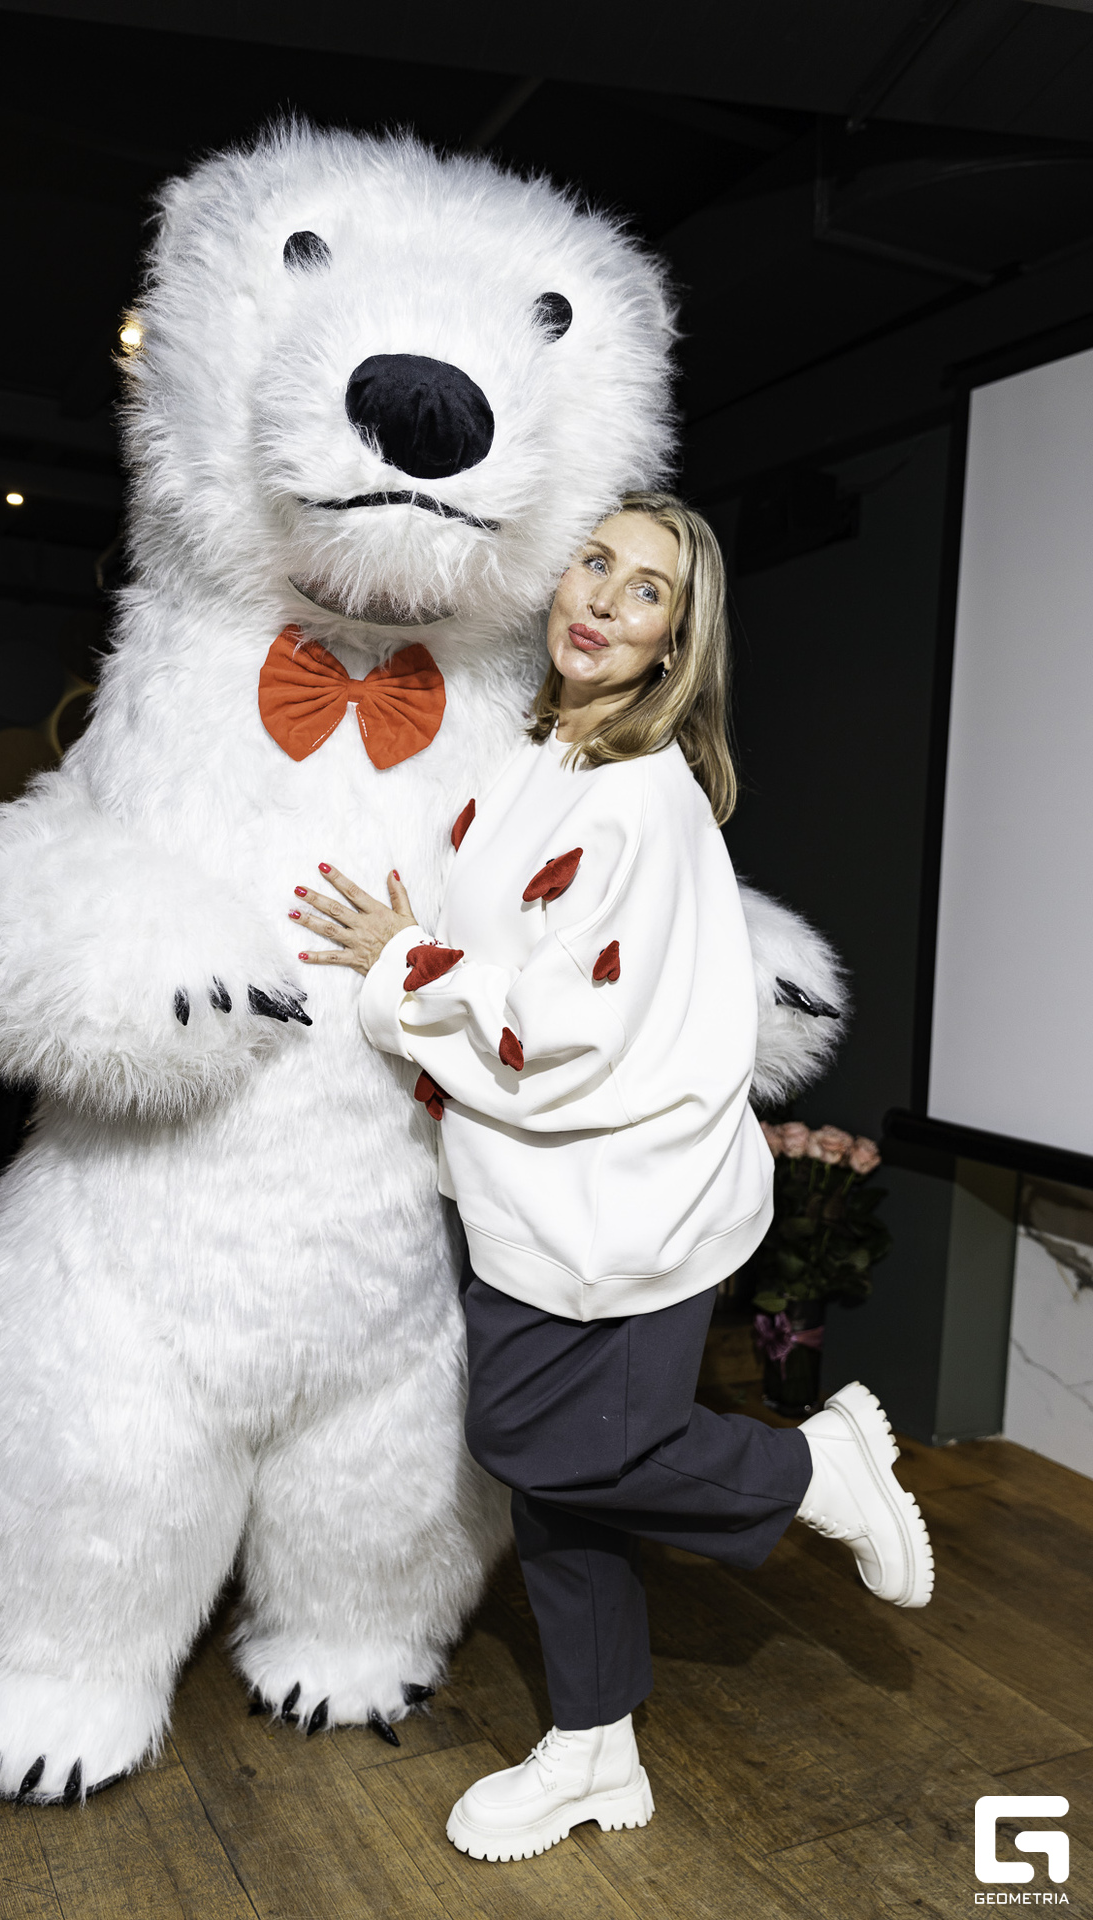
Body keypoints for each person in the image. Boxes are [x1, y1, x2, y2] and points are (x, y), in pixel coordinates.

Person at [284, 493, 934, 1863]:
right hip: (532, 1188)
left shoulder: (641, 798)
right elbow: (504, 941)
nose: (602, 599)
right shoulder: (541, 752)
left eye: (646, 592)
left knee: (538, 1443)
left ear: (674, 645)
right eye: (596, 563)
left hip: (626, 1201)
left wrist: (399, 966)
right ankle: (593, 1751)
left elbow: (559, 1026)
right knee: (562, 1489)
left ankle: (807, 1468)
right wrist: (414, 936)